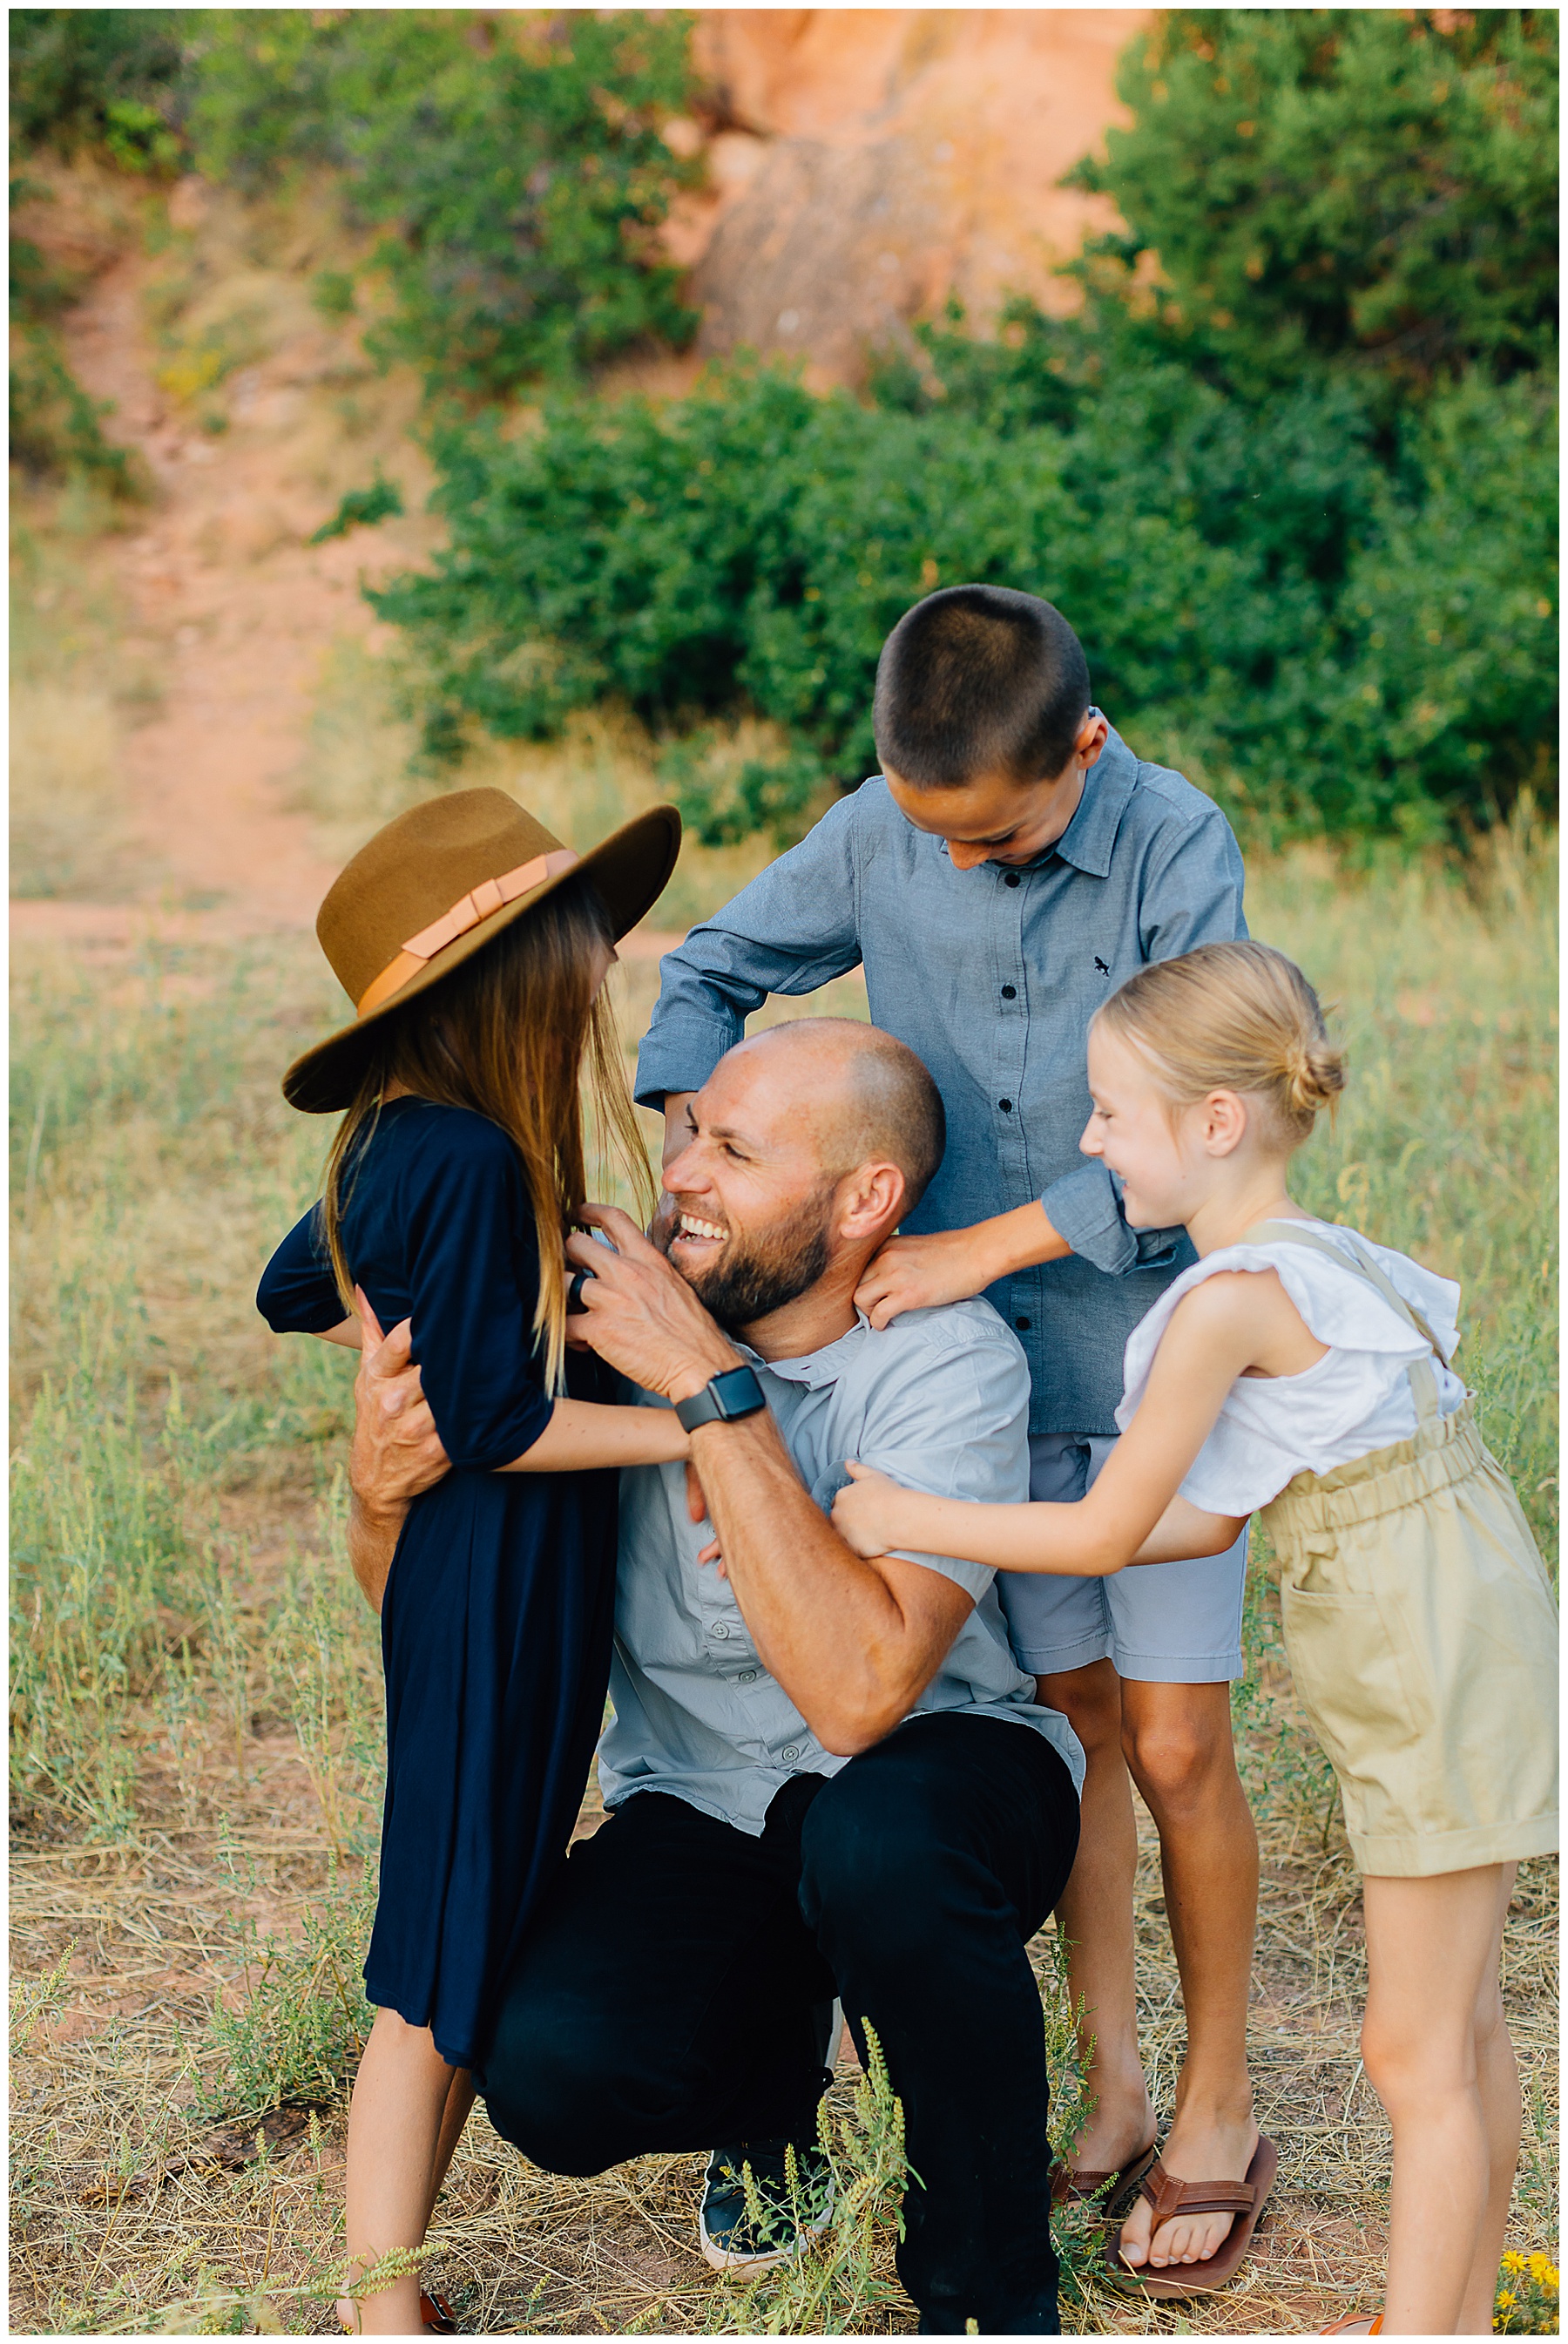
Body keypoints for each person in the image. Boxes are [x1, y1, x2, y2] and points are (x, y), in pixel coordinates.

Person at [634, 581, 1261, 2286]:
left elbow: (1213, 1127)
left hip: (1149, 1362)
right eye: (937, 837)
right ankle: (1114, 2078)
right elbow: (713, 966)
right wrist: (694, 1147)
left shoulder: (1172, 846)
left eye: (1003, 835)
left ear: (1087, 744)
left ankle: (1218, 2098)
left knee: (1186, 1743)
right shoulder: (876, 828)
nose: (964, 864)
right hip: (972, 1398)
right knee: (1077, 1729)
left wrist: (981, 1241)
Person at [831, 939, 1559, 2331]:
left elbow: (1108, 1529)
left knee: (1414, 2051)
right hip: (1463, 1633)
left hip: (1429, 1664)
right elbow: (1199, 1519)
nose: (1089, 1139)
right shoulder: (1320, 1260)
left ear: (1214, 1124)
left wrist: (913, 1511)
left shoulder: (1225, 1302)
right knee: (1460, 2031)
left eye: (1108, 1112)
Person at [346, 1014, 1087, 2336]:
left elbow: (861, 1695)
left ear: (865, 1199)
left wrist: (709, 1387)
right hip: (706, 1794)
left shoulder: (947, 1362)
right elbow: (431, 1606)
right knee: (558, 2069)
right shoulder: (580, 1346)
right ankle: (773, 2111)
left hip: (940, 1771)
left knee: (876, 1845)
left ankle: (986, 2291)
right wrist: (379, 1496)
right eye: (689, 1131)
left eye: (734, 1150)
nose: (680, 1171)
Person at [255, 787, 691, 2336]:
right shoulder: (459, 1158)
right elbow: (501, 1424)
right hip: (494, 1577)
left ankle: (404, 2282)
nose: (604, 952)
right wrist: (699, 1428)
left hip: (501, 1585)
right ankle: (379, 2313)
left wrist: (419, 1299)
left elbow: (289, 1279)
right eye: (577, 931)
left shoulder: (416, 1143)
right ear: (506, 974)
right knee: (433, 1967)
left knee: (479, 1919)